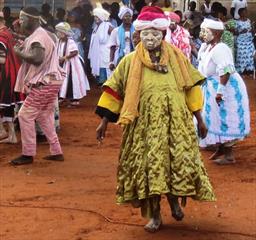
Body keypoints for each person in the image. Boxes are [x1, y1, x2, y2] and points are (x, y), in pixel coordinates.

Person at [96, 6, 215, 233]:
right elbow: (115, 91)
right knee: (148, 168)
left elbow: (191, 88)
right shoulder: (129, 61)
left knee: (175, 164)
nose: (150, 38)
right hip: (144, 126)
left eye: (155, 34)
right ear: (139, 35)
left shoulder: (178, 58)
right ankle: (155, 215)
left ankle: (173, 202)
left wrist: (200, 119)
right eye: (146, 34)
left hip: (175, 124)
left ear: (163, 34)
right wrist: (103, 121)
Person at [11, 7, 66, 165]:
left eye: (22, 19)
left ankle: (27, 154)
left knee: (24, 115)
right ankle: (56, 151)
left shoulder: (39, 36)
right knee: (44, 116)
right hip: (51, 81)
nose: (20, 21)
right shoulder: (39, 34)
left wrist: (18, 52)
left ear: (32, 20)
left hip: (45, 82)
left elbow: (37, 58)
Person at [198, 19, 250, 165]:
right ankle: (220, 149)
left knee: (225, 118)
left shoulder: (221, 48)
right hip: (210, 87)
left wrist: (220, 92)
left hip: (226, 89)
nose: (201, 34)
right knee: (213, 118)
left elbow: (226, 71)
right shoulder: (207, 47)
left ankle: (228, 154)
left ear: (215, 34)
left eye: (205, 31)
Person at [0, 12, 24, 143]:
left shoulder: (1, 36)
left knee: (4, 103)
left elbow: (2, 60)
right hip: (12, 73)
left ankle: (3, 132)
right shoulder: (7, 33)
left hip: (5, 75)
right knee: (7, 104)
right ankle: (12, 136)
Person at [56, 22, 90, 106]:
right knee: (62, 80)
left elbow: (75, 52)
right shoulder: (59, 41)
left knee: (72, 81)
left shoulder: (70, 41)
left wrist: (64, 58)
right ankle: (62, 97)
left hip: (72, 65)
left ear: (64, 33)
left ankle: (74, 100)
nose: (57, 33)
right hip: (63, 64)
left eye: (59, 32)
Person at [88, 8, 113, 86]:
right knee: (99, 66)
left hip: (105, 51)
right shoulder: (96, 27)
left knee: (105, 67)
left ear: (102, 17)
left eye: (97, 17)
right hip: (98, 52)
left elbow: (115, 34)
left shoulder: (107, 25)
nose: (96, 19)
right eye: (95, 17)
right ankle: (101, 83)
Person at [109, 6, 135, 71]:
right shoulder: (116, 31)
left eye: (130, 16)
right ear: (122, 17)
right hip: (120, 57)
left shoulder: (136, 30)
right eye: (126, 16)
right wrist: (111, 62)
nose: (128, 18)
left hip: (134, 57)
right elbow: (112, 47)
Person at [235, 8, 255, 75]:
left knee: (250, 55)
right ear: (240, 14)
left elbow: (252, 30)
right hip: (241, 41)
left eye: (246, 12)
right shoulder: (237, 22)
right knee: (241, 55)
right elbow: (235, 33)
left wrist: (252, 31)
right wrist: (241, 31)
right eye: (244, 12)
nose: (246, 13)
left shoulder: (248, 20)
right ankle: (241, 70)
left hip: (249, 41)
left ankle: (249, 70)